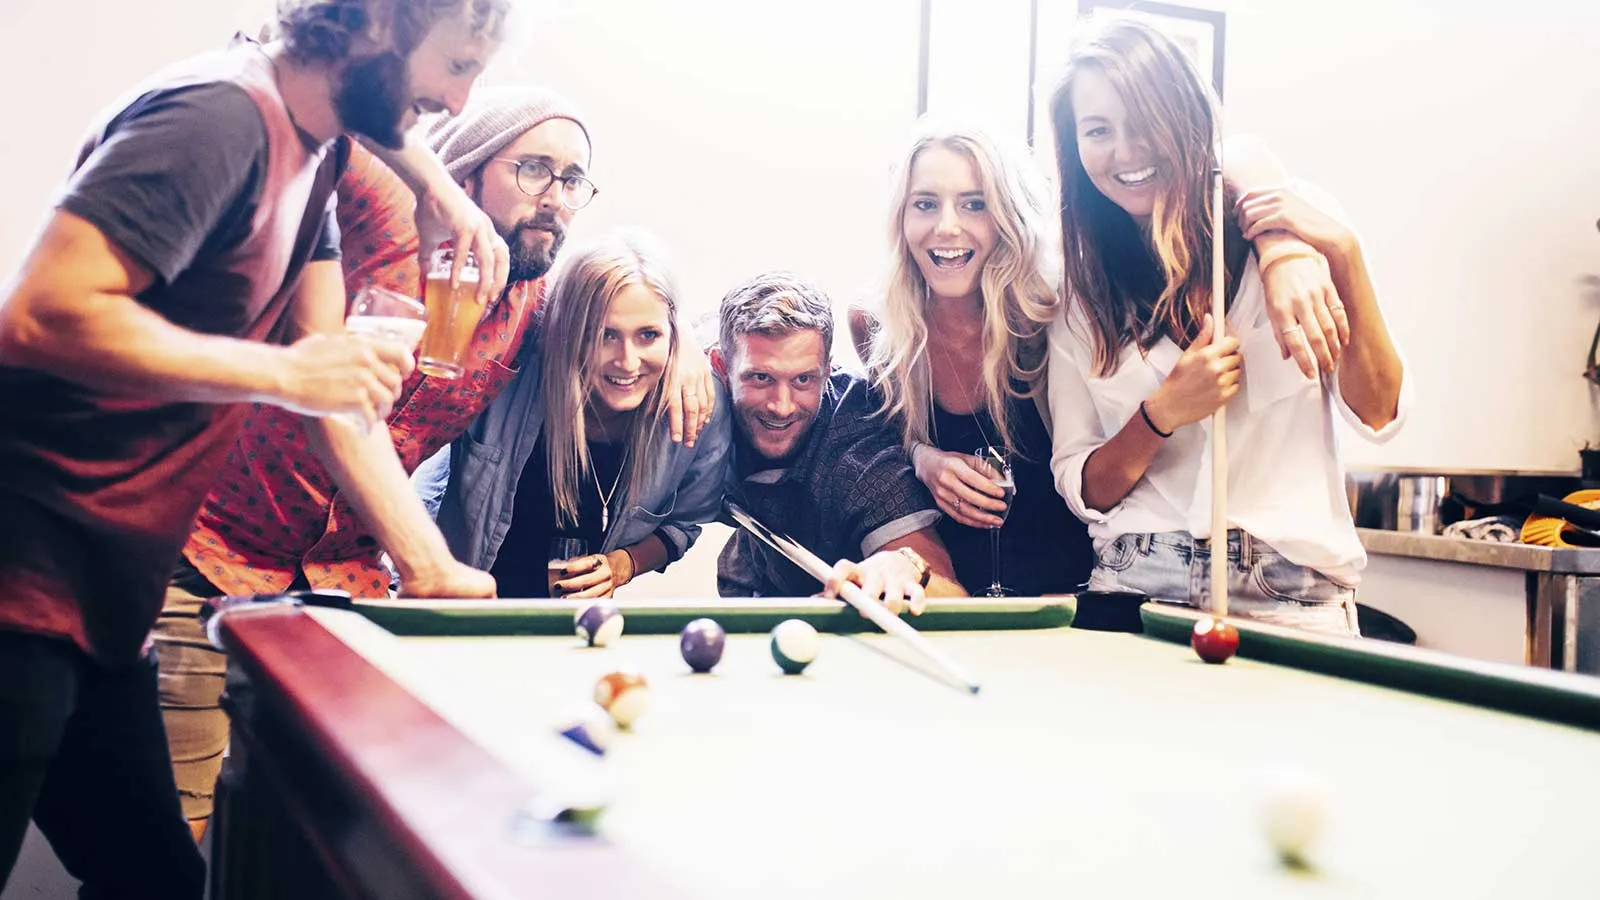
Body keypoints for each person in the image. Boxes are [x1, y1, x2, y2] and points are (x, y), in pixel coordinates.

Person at [0, 0, 513, 894]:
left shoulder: (312, 155)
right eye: (459, 65)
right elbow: (42, 314)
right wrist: (284, 373)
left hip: (99, 603)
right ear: (382, 24)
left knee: (155, 880)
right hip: (20, 584)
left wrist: (428, 564)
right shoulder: (216, 117)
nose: (459, 101)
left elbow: (330, 389)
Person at [156, 85, 628, 840]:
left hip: (345, 590)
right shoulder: (385, 211)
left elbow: (632, 313)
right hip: (208, 558)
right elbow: (323, 106)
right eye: (534, 169)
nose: (555, 198)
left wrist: (695, 355)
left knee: (326, 834)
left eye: (573, 180)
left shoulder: (529, 308)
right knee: (175, 851)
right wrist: (430, 180)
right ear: (470, 172)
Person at [1045, 15, 1409, 635]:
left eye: (1143, 121)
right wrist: (1160, 414)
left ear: (1184, 116)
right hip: (1136, 583)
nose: (1125, 152)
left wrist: (1340, 253)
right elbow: (1085, 486)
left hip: (1292, 591)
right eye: (1098, 130)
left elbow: (1377, 413)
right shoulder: (1077, 291)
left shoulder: (1299, 227)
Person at [852, 122, 1095, 597]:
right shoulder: (875, 324)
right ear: (901, 218)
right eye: (925, 204)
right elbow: (887, 439)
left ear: (1008, 215)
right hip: (951, 607)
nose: (947, 226)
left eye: (974, 204)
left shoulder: (1053, 317)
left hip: (1068, 607)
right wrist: (922, 459)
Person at [420, 232, 730, 599]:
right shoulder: (509, 364)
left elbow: (682, 524)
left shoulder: (698, 402)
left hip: (575, 629)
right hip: (457, 609)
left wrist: (623, 564)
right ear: (567, 330)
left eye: (648, 335)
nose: (628, 362)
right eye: (604, 336)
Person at [714, 272, 965, 608]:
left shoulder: (857, 448)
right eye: (761, 378)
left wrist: (905, 565)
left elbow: (949, 591)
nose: (782, 406)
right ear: (721, 367)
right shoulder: (697, 406)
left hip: (856, 627)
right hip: (758, 589)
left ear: (828, 371)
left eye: (804, 379)